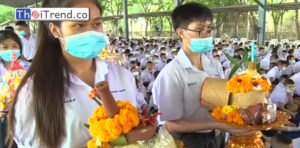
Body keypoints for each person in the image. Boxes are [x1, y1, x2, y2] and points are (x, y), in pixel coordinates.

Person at [8, 0, 156, 147]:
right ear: (55, 30)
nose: (91, 32)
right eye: (79, 25)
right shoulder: (33, 91)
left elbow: (140, 122)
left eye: (97, 24)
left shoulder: (122, 76)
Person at [152, 3, 250, 148]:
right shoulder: (172, 73)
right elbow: (171, 124)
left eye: (209, 29)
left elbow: (223, 100)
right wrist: (218, 124)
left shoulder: (214, 65)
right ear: (181, 32)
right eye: (199, 29)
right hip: (189, 141)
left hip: (217, 136)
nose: (207, 34)